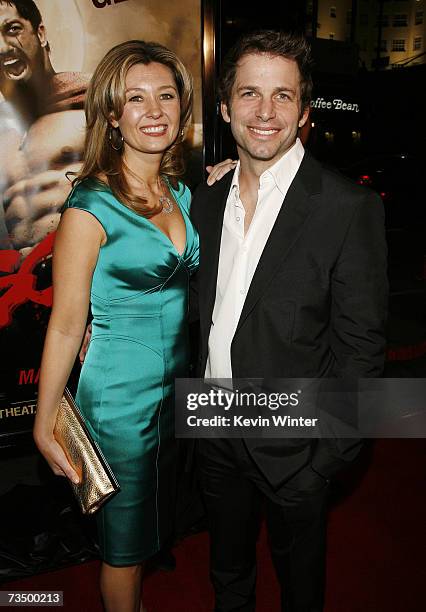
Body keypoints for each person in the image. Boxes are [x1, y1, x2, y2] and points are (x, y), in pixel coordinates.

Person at [190, 30, 388, 611]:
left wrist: (326, 459)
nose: (265, 111)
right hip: (211, 428)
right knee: (227, 576)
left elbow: (362, 352)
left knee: (300, 589)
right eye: (250, 93)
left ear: (304, 110)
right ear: (225, 108)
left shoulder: (348, 208)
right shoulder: (204, 199)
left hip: (295, 446)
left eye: (283, 95)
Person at [33, 39, 198, 612]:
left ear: (183, 109)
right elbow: (64, 323)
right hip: (120, 403)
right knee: (123, 554)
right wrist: (45, 417)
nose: (153, 110)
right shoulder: (91, 206)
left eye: (166, 96)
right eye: (135, 98)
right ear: (111, 113)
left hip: (173, 397)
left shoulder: (180, 194)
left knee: (151, 535)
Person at [0, 0, 89, 256]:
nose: (2, 47)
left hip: (80, 273)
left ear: (41, 33)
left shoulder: (94, 100)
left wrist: (215, 162)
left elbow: (167, 137)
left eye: (13, 29)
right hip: (15, 282)